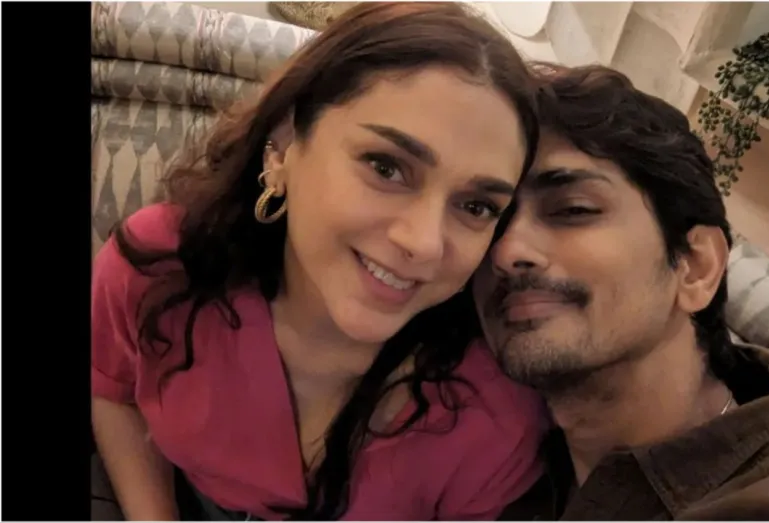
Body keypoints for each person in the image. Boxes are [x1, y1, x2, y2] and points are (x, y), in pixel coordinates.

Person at [90, 3, 549, 520]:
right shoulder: (162, 267)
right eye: (386, 167)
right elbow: (113, 391)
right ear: (283, 147)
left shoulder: (492, 422)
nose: (424, 243)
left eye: (476, 207)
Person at [477, 64, 769, 521]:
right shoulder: (483, 468)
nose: (505, 252)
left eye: (573, 209)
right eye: (488, 215)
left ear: (695, 266)